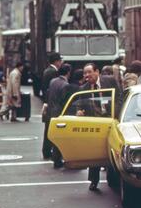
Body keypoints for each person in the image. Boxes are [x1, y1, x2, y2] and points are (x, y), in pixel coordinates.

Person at [81, 63, 123, 192]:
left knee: (112, 150)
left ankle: (113, 180)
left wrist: (115, 112)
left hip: (110, 120)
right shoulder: (84, 89)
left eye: (89, 72)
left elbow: (120, 97)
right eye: (85, 73)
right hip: (95, 123)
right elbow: (81, 105)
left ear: (97, 72)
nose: (87, 75)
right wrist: (80, 112)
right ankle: (94, 181)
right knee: (95, 152)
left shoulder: (109, 81)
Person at [47, 63, 72, 169]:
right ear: (68, 72)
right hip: (59, 113)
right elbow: (64, 101)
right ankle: (58, 159)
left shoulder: (53, 81)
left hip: (51, 111)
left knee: (55, 137)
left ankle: (55, 158)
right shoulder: (65, 85)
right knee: (61, 137)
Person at [42, 53, 63, 160]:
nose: (61, 62)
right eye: (60, 60)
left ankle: (46, 150)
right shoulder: (54, 72)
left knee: (47, 128)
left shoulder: (47, 70)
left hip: (48, 102)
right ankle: (48, 151)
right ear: (56, 61)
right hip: (52, 103)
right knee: (51, 129)